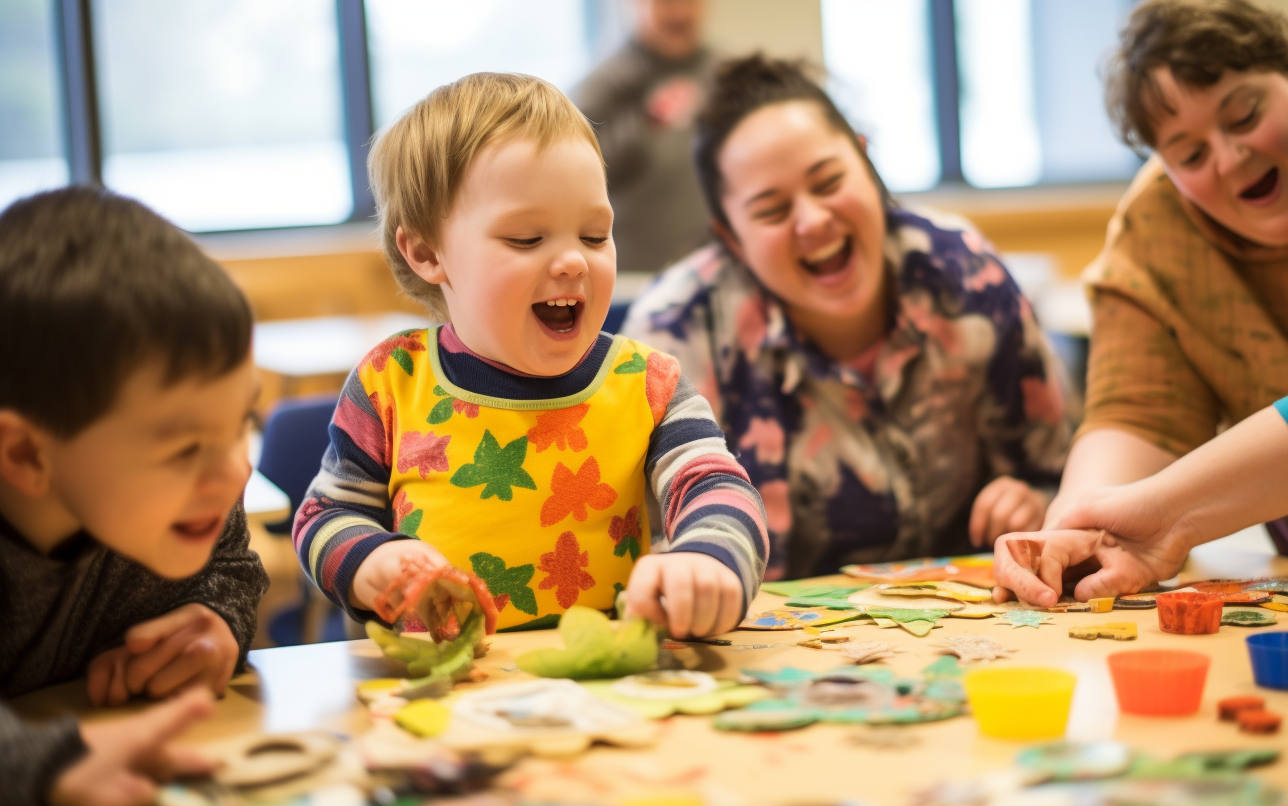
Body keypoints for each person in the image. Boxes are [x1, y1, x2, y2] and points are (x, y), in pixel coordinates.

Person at [993, 0, 1288, 606]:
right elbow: (1138, 412)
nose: (1230, 156)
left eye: (1244, 115)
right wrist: (1077, 535)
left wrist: (1167, 514)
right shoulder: (1155, 221)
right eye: (1189, 155)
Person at [293, 73, 767, 640]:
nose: (573, 262)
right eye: (525, 239)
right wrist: (372, 562)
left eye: (594, 236)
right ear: (425, 252)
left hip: (609, 689)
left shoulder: (648, 384)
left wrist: (710, 558)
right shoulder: (389, 384)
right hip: (443, 696)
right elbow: (323, 518)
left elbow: (716, 484)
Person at [619, 56, 1072, 581]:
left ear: (865, 158)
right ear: (729, 235)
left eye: (829, 180)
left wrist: (1034, 502)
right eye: (771, 210)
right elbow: (644, 548)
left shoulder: (966, 276)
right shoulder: (674, 336)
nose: (813, 220)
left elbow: (1061, 472)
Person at [0, 188, 268, 806]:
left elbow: (231, 571)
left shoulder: (186, 501)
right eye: (183, 449)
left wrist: (217, 622)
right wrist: (48, 765)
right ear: (26, 457)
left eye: (243, 422)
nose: (235, 470)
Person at [574, 0, 714, 272]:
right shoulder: (603, 84)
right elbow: (574, 174)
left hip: (712, 271)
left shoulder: (724, 73)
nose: (680, 14)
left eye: (691, 3)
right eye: (666, 4)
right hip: (632, 279)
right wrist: (644, 123)